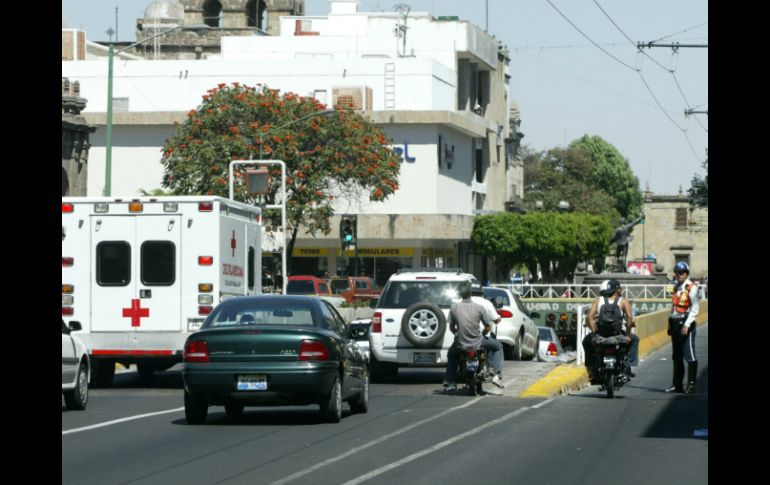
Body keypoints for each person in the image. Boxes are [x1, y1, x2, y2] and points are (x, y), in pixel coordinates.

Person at [443, 280, 505, 392]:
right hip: (478, 341)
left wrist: (457, 335)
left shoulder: (454, 307)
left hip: (461, 342)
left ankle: (451, 381)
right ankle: (496, 374)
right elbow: (488, 326)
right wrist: (482, 335)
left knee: (451, 355)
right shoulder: (480, 306)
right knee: (498, 346)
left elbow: (451, 327)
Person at [582, 279, 635, 380]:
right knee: (634, 340)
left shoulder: (598, 301)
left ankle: (592, 369)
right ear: (616, 290)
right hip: (618, 334)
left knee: (585, 342)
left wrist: (593, 334)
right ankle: (627, 367)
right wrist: (627, 335)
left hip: (600, 335)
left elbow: (590, 316)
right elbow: (629, 317)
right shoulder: (623, 301)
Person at [665, 262, 700, 394]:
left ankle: (691, 385)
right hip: (675, 322)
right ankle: (677, 384)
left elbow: (695, 309)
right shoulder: (676, 287)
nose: (678, 275)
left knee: (689, 354)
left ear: (686, 273)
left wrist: (687, 325)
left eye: (681, 272)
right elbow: (673, 307)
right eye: (677, 272)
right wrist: (669, 323)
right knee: (677, 356)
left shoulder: (692, 288)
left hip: (686, 323)